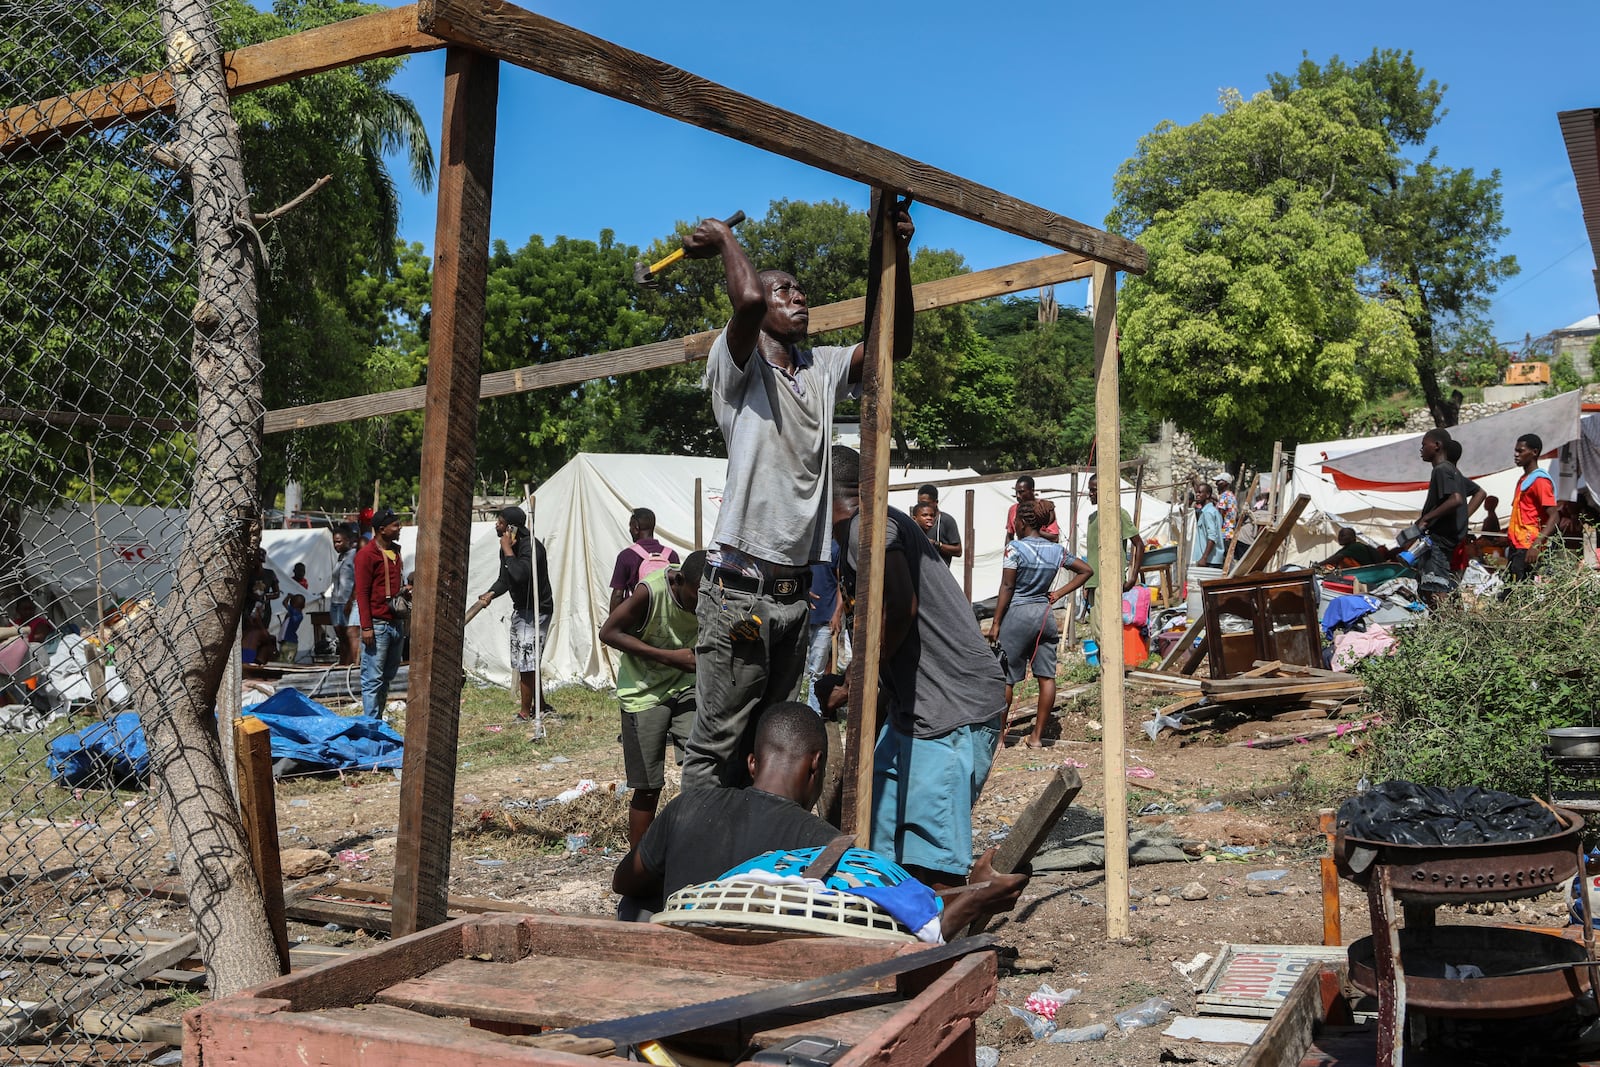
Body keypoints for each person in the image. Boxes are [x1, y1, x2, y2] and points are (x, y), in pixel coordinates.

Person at [677, 200, 916, 791]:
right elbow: (749, 303)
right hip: (740, 593)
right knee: (716, 744)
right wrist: (725, 239)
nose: (797, 297)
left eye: (800, 290)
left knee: (772, 737)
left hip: (793, 595)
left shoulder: (818, 367)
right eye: (784, 290)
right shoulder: (736, 369)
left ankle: (753, 853)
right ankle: (693, 866)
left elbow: (893, 346)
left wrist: (899, 255)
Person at [612, 702, 1027, 933]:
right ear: (816, 767)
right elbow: (903, 924)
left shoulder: (689, 806)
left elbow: (624, 882)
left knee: (641, 898)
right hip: (761, 990)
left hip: (673, 970)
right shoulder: (828, 851)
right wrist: (975, 892)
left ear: (753, 762)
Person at [826, 446, 1009, 890]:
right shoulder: (863, 528)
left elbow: (901, 607)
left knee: (931, 863)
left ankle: (941, 950)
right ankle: (902, 943)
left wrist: (857, 680)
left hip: (951, 711)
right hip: (917, 712)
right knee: (880, 849)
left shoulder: (864, 528)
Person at [599, 551, 706, 846]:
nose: (702, 606)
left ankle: (695, 847)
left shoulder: (709, 592)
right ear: (679, 580)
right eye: (697, 597)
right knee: (648, 786)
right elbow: (608, 632)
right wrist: (670, 658)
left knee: (702, 768)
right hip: (643, 693)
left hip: (686, 685)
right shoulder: (651, 592)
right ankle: (639, 863)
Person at [988, 498, 1093, 748]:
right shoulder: (1056, 550)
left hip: (1017, 615)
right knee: (1046, 678)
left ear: (1023, 522)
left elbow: (1007, 585)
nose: (1013, 524)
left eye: (1015, 520)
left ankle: (1000, 738)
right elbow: (1086, 570)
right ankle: (1036, 737)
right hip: (1045, 616)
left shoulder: (1014, 548)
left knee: (1007, 678)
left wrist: (995, 622)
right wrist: (1057, 594)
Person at [474, 506, 555, 723]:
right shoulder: (508, 548)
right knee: (525, 659)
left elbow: (520, 575)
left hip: (537, 610)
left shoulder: (531, 547)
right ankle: (541, 705)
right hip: (522, 610)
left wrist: (508, 550)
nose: (496, 526)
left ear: (511, 527)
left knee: (527, 661)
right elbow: (506, 579)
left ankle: (525, 712)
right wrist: (491, 593)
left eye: (500, 522)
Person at [355, 507, 410, 720]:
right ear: (381, 529)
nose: (399, 528)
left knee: (387, 676)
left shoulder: (395, 552)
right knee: (372, 679)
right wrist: (366, 627)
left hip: (395, 624)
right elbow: (362, 593)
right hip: (377, 626)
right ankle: (371, 724)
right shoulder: (366, 555)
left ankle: (377, 719)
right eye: (395, 525)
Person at [1083, 473, 1144, 643]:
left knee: (1106, 633)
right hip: (1094, 581)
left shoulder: (1118, 514)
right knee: (1096, 632)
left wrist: (1132, 577)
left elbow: (1139, 544)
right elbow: (1093, 554)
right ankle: (1108, 668)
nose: (1091, 494)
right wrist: (1087, 583)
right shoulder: (1092, 518)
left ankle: (1114, 669)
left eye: (1094, 490)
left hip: (1109, 580)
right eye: (1089, 490)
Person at [1412, 428, 1468, 606]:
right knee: (1435, 589)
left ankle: (1446, 630)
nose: (1421, 449)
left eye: (1424, 445)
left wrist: (1426, 519)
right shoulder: (1452, 471)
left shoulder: (1441, 469)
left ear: (1437, 445)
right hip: (1444, 543)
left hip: (1438, 542)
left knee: (1437, 591)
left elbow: (1456, 499)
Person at [1506, 432, 1559, 582]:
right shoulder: (1524, 479)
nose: (1516, 454)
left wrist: (1536, 544)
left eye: (1520, 451)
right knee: (1513, 590)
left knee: (1519, 592)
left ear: (1534, 452)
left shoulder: (1540, 481)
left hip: (1528, 546)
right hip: (1517, 545)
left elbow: (1554, 516)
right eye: (1515, 450)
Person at [608, 508, 680, 611]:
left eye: (630, 526)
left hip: (637, 619)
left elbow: (618, 595)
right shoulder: (672, 555)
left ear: (636, 527)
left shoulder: (626, 556)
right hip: (665, 616)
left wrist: (612, 624)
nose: (630, 530)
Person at [804, 545, 840, 714]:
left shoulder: (836, 547)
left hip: (825, 617)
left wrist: (837, 612)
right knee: (793, 671)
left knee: (816, 672)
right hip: (803, 614)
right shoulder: (807, 541)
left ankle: (813, 713)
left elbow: (840, 582)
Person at [326, 525, 358, 665]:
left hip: (347, 601)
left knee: (350, 635)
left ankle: (352, 665)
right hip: (336, 601)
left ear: (348, 540)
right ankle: (343, 664)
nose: (336, 545)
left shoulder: (354, 555)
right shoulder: (340, 558)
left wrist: (350, 601)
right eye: (334, 542)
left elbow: (358, 580)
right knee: (341, 637)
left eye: (339, 541)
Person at [916, 484, 962, 567]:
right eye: (919, 503)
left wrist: (936, 544)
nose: (921, 506)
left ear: (936, 502)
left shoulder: (946, 521)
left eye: (925, 503)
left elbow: (958, 551)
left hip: (940, 574)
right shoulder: (915, 521)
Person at [1004, 475, 1060, 543]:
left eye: (1022, 492)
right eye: (1016, 492)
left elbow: (1055, 538)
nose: (1018, 496)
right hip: (1023, 551)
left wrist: (1034, 531)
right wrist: (1007, 551)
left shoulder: (1043, 508)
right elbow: (1009, 536)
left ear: (1032, 490)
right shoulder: (1013, 510)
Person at [1191, 482, 1224, 568]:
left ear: (1207, 494)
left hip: (1210, 560)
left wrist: (1204, 557)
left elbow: (1212, 537)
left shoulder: (1208, 513)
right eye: (1196, 492)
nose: (1197, 495)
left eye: (1200, 492)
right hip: (1210, 559)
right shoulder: (1210, 511)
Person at [1318, 527, 1383, 569]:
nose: (1339, 538)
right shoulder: (1347, 548)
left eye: (1343, 535)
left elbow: (1337, 557)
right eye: (1339, 536)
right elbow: (1335, 556)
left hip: (1368, 572)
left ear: (1352, 537)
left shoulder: (1356, 546)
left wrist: (1318, 564)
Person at [278, 592, 306, 663]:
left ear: (293, 605)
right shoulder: (298, 614)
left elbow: (284, 602)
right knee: (285, 662)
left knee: (285, 663)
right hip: (288, 642)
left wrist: (289, 596)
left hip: (289, 643)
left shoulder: (294, 612)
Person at [1214, 472, 1238, 544]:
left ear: (1225, 483)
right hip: (1230, 533)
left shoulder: (1224, 496)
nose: (1216, 483)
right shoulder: (1231, 495)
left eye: (1219, 481)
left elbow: (1220, 515)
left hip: (1223, 533)